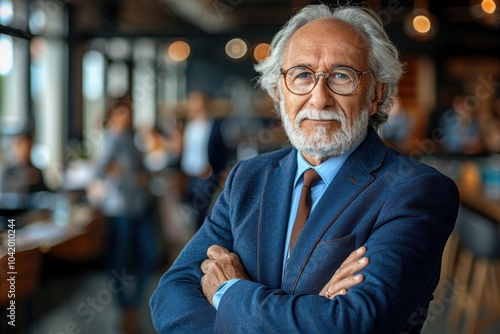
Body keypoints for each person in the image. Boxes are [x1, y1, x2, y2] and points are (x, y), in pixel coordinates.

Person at [150, 4, 459, 333]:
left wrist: (229, 293)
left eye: (341, 75)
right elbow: (170, 298)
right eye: (302, 75)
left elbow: (353, 323)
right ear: (278, 93)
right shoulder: (247, 178)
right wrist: (314, 310)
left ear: (375, 94)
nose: (319, 98)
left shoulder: (416, 191)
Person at [88, 96, 158, 334]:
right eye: (121, 113)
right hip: (120, 209)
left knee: (149, 257)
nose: (125, 117)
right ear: (112, 114)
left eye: (127, 113)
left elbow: (144, 171)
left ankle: (131, 309)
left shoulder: (130, 139)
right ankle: (125, 309)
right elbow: (97, 172)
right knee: (119, 262)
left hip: (139, 206)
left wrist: (133, 175)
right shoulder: (111, 140)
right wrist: (128, 176)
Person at [180, 90, 229, 229]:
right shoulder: (189, 125)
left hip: (207, 176)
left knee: (202, 213)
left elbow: (221, 151)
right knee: (190, 211)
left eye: (199, 100)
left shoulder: (215, 125)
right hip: (189, 175)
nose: (196, 104)